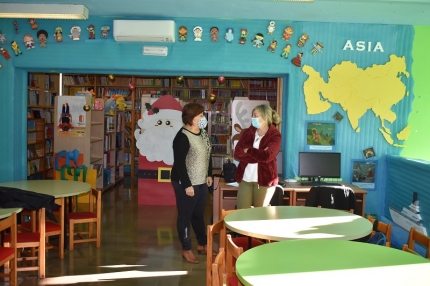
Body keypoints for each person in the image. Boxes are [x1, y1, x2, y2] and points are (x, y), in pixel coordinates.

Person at [171, 103, 213, 264]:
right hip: (185, 183)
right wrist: (187, 185)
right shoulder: (181, 137)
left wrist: (209, 174)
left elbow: (208, 153)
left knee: (198, 215)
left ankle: (203, 244)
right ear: (191, 118)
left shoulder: (202, 133)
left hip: (201, 181)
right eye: (200, 115)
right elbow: (179, 164)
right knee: (185, 216)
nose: (203, 118)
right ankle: (186, 249)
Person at [234, 104, 282, 209]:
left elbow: (268, 156)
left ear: (264, 117)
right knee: (241, 213)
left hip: (265, 181)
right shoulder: (248, 132)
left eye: (255, 115)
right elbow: (237, 153)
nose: (252, 118)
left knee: (259, 216)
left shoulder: (274, 135)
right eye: (252, 115)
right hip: (245, 179)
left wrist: (249, 151)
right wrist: (259, 153)